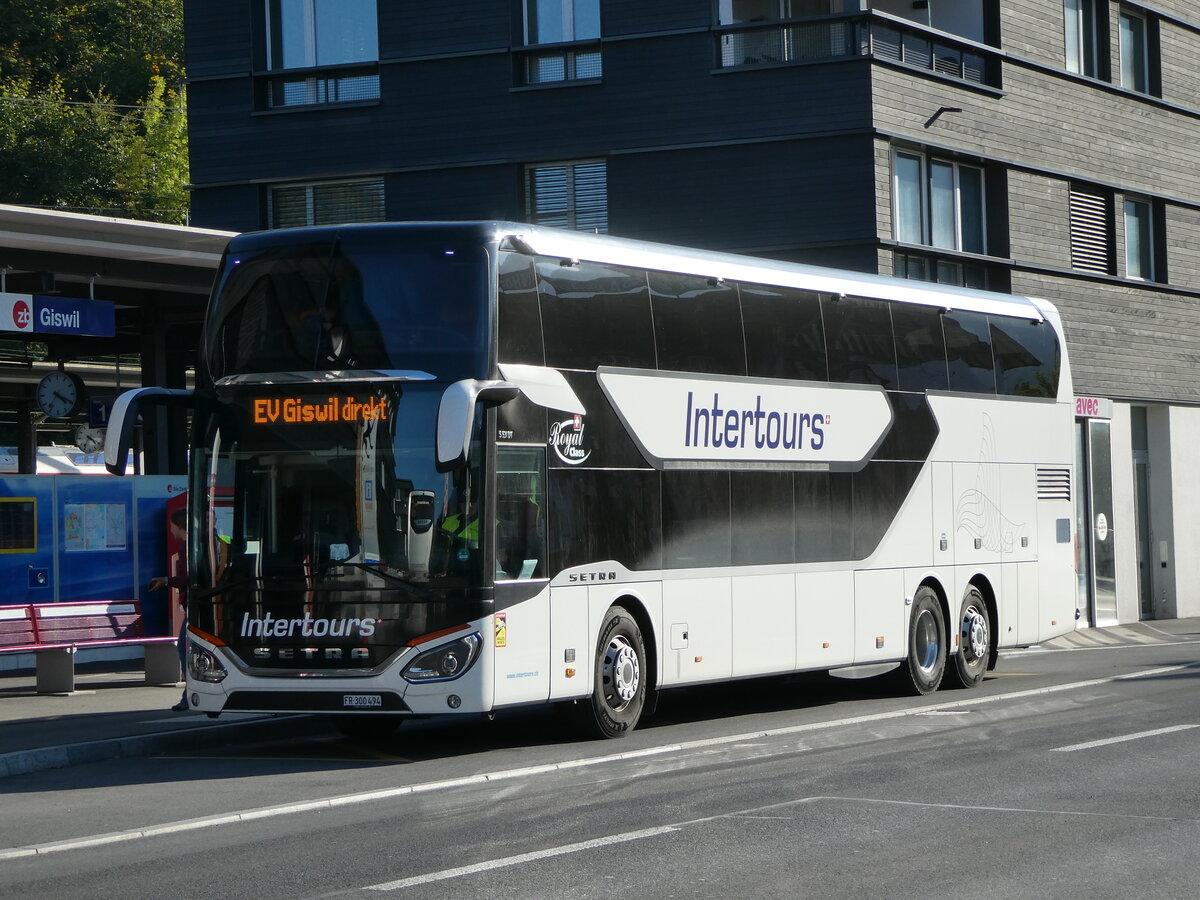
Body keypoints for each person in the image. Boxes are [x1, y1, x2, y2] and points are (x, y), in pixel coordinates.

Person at [149, 506, 189, 711]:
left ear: (180, 525)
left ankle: (189, 696)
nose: (170, 530)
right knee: (186, 647)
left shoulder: (187, 546)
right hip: (196, 604)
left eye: (172, 525)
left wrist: (166, 580)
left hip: (196, 605)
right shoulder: (195, 544)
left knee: (183, 647)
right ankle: (190, 695)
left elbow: (190, 578)